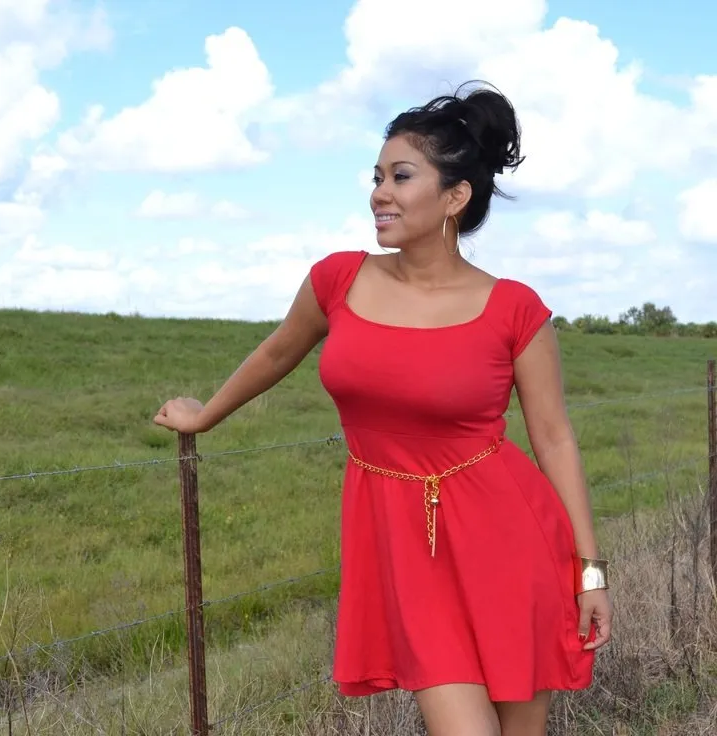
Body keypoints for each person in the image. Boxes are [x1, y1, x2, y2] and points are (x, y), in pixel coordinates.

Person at [154, 81, 613, 736]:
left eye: (401, 176)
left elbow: (554, 439)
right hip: (406, 552)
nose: (379, 193)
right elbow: (277, 352)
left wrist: (589, 573)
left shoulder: (515, 309)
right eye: (376, 177)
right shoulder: (339, 280)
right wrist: (205, 416)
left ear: (455, 196)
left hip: (510, 546)